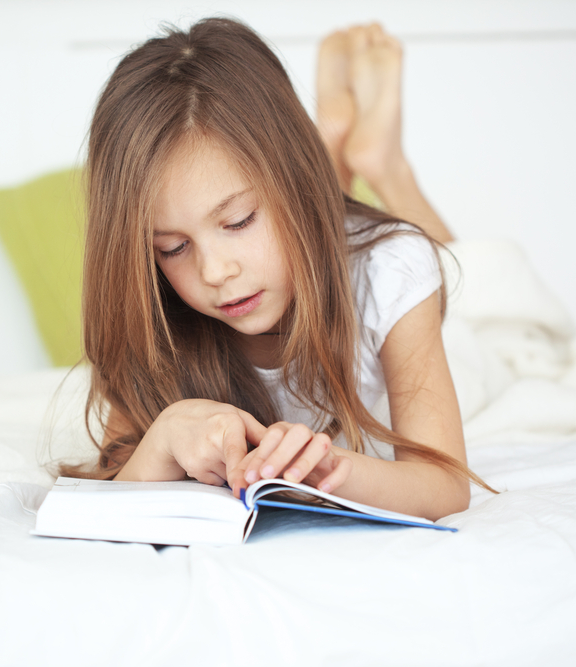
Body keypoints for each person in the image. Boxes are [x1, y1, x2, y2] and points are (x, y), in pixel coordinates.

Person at [66, 17, 492, 521]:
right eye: (173, 247)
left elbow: (446, 484)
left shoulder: (390, 271)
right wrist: (160, 440)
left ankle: (382, 164)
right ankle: (330, 144)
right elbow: (110, 488)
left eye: (239, 220)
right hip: (313, 224)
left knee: (498, 305)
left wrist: (330, 470)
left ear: (293, 180)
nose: (216, 271)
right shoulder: (154, 310)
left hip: (450, 335)